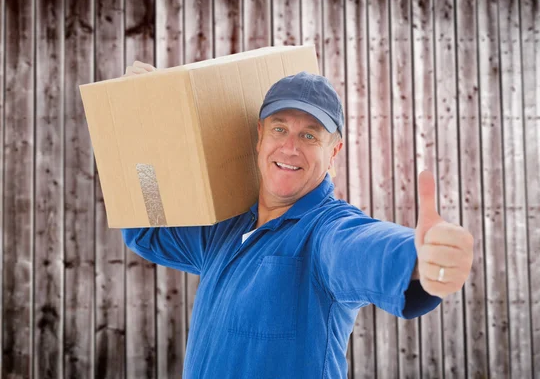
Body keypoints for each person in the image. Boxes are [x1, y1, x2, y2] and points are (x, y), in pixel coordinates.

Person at [121, 61, 474, 378]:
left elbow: (363, 247)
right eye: (279, 129)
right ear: (259, 136)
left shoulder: (325, 232)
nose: (290, 147)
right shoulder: (223, 233)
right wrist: (142, 128)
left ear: (333, 151)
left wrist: (418, 257)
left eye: (309, 135)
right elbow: (145, 229)